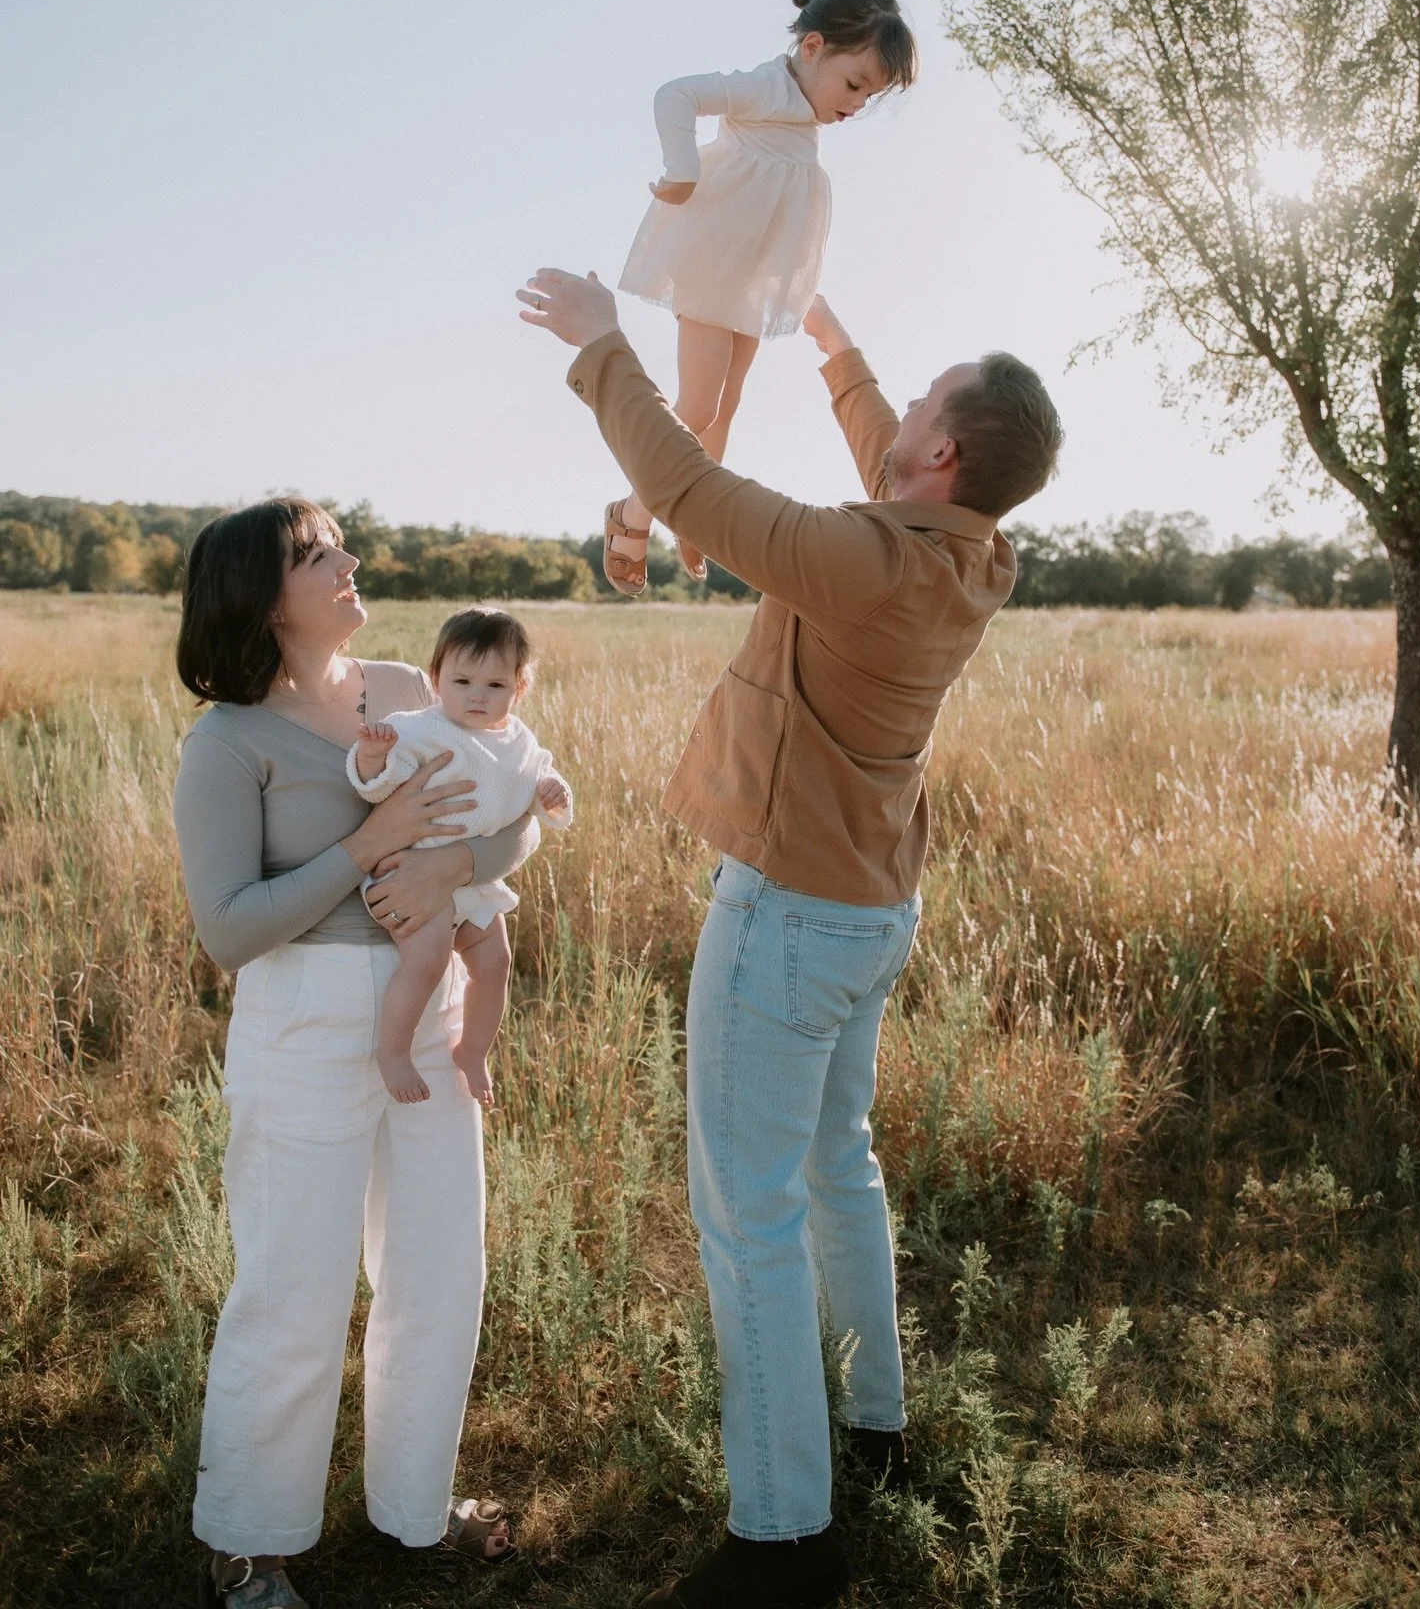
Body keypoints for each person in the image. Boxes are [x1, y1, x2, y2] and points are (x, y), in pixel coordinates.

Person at [517, 269, 1063, 1609]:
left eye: (924, 403)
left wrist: (605, 345)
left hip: (788, 922)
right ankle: (874, 1421)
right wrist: (829, 341)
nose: (905, 407)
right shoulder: (976, 551)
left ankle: (781, 1535)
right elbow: (895, 446)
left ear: (940, 452)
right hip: (871, 912)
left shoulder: (867, 562)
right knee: (836, 1170)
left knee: (745, 1215)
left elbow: (696, 491)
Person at [172, 499, 534, 1609]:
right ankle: (249, 1538)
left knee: (437, 1269)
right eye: (321, 553)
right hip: (306, 1018)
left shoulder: (416, 689)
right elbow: (230, 928)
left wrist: (460, 857)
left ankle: (415, 1510)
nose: (351, 560)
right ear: (264, 596)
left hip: (430, 1006)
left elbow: (512, 808)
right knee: (296, 1288)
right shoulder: (227, 743)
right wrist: (367, 848)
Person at [605, 0, 917, 591]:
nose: (856, 104)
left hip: (750, 273)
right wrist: (681, 169)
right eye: (854, 84)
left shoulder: (807, 110)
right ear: (813, 48)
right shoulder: (764, 88)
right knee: (696, 405)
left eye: (870, 96)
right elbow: (676, 95)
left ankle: (693, 512)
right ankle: (631, 514)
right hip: (711, 259)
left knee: (728, 405)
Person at [347, 606, 572, 1106]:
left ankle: (473, 1050)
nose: (477, 695)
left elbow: (535, 781)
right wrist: (372, 757)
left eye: (495, 686)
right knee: (425, 962)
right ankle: (393, 1051)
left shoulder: (518, 739)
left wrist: (551, 792)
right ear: (436, 679)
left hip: (474, 885)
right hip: (416, 875)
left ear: (519, 689)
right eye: (463, 680)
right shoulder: (416, 729)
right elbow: (376, 789)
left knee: (495, 962)